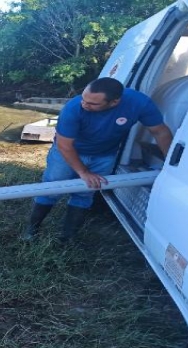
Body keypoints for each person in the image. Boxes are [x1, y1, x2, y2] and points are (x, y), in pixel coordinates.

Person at [23, 77, 173, 242]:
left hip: (104, 155)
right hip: (68, 152)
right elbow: (65, 146)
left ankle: (67, 239)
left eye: (93, 104)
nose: (84, 104)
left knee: (85, 193)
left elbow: (160, 132)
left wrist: (170, 165)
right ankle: (31, 231)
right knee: (51, 188)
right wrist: (83, 172)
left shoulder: (138, 103)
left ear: (114, 102)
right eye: (84, 98)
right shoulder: (73, 108)